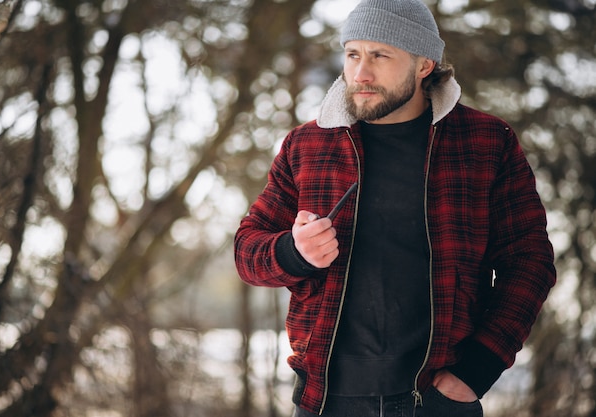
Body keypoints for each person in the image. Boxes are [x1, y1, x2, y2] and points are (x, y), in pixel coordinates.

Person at [234, 0, 556, 415]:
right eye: (353, 55)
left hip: (439, 399)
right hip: (325, 401)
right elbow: (247, 250)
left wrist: (478, 369)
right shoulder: (308, 145)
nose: (360, 73)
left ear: (424, 64)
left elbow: (529, 263)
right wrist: (293, 253)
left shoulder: (486, 143)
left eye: (380, 55)